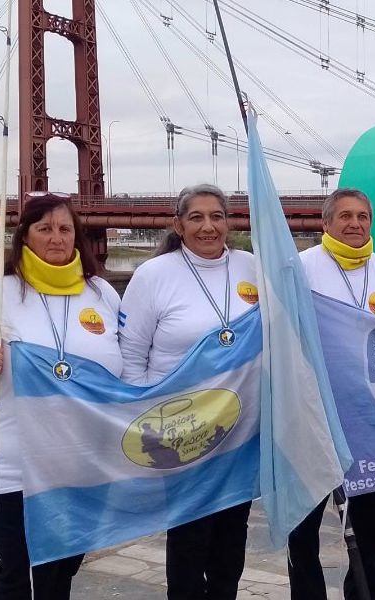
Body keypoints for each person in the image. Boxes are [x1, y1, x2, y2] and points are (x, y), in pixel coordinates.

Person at [0, 192, 124, 599]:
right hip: (15, 460)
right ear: (25, 236)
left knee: (62, 567)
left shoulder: (102, 294)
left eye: (65, 228)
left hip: (82, 458)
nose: (56, 238)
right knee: (18, 567)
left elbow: (128, 363)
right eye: (45, 228)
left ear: (77, 237)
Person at [118, 183, 259, 600]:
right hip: (180, 434)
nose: (208, 226)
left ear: (229, 223)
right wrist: (148, 423)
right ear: (178, 225)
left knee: (231, 543)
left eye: (217, 216)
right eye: (196, 217)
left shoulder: (252, 266)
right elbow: (131, 358)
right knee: (188, 541)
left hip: (241, 432)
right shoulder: (154, 275)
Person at [290, 188, 375, 600]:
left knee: (372, 529)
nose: (355, 224)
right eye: (345, 216)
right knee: (303, 530)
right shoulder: (300, 268)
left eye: (363, 217)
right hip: (313, 418)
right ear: (326, 223)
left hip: (372, 422)